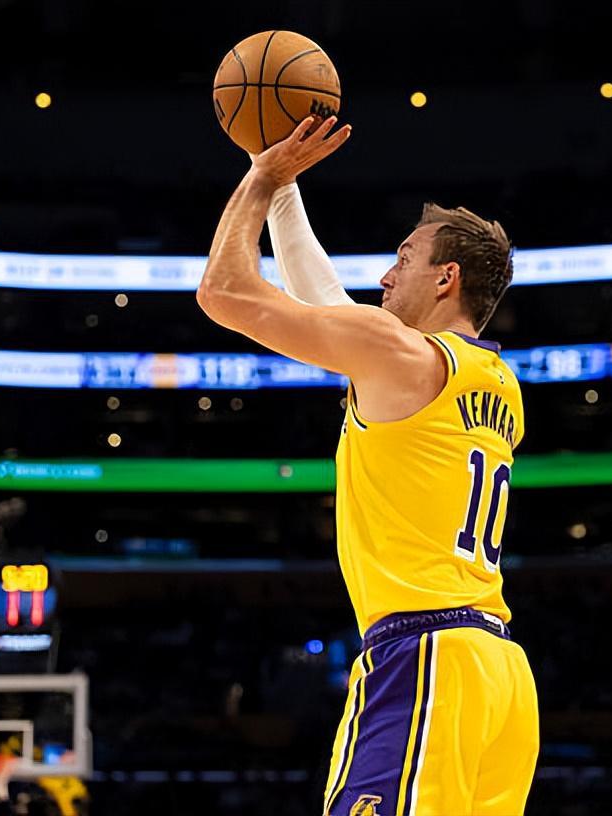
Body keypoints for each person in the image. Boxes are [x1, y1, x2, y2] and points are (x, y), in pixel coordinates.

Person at [197, 116, 539, 815]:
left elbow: (223, 292)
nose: (385, 275)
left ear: (446, 278)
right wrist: (285, 184)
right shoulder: (495, 381)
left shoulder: (404, 355)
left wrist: (260, 178)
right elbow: (329, 305)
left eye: (403, 259)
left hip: (426, 652)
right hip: (500, 673)